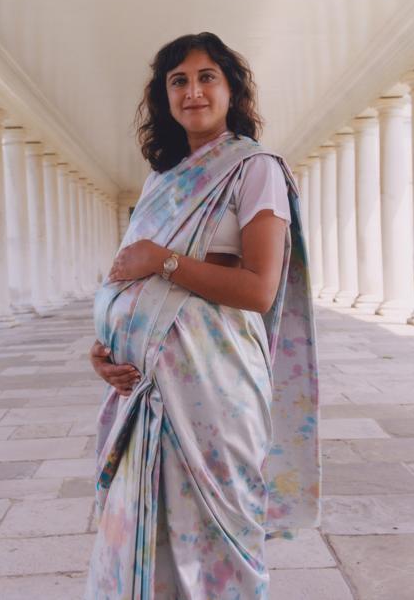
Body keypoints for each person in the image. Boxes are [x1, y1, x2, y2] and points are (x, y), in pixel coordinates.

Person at [85, 32, 319, 599]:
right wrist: (107, 344)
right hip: (144, 390)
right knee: (146, 539)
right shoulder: (162, 178)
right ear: (165, 96)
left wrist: (162, 261)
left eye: (206, 76)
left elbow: (259, 289)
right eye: (179, 80)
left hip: (219, 391)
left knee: (220, 543)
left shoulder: (254, 169)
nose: (193, 91)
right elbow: (128, 273)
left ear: (232, 89)